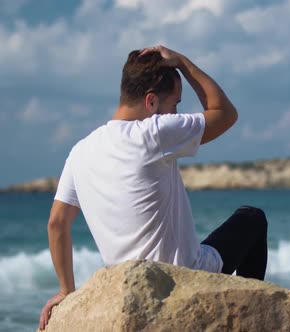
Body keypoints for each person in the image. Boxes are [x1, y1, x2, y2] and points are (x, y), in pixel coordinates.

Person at [38, 45, 268, 330]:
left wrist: (65, 290)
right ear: (151, 102)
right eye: (175, 104)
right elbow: (224, 112)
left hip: (126, 287)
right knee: (252, 218)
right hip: (181, 280)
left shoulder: (80, 151)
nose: (175, 113)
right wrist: (183, 63)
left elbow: (56, 224)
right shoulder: (154, 133)